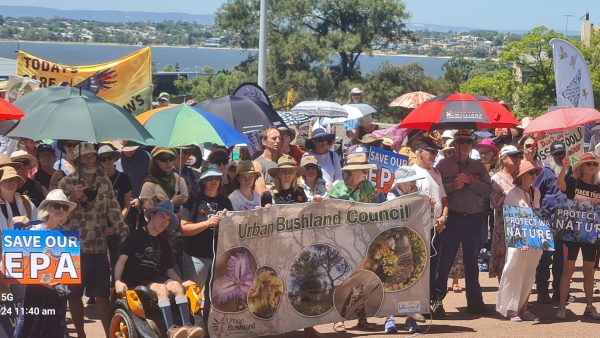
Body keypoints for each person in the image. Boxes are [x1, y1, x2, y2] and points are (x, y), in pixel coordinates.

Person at [58, 142, 128, 337]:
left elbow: (113, 208)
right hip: (73, 246)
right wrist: (72, 198)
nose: (89, 160)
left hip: (98, 245)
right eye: (84, 157)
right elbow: (57, 217)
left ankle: (108, 334)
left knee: (102, 294)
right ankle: (81, 334)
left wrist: (122, 229)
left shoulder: (105, 181)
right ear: (77, 161)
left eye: (91, 156)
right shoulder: (66, 183)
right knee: (74, 295)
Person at [115, 200, 204, 338]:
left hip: (158, 278)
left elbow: (170, 271)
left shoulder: (164, 244)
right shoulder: (135, 236)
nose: (165, 222)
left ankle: (187, 327)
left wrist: (183, 283)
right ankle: (171, 331)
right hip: (137, 280)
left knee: (177, 287)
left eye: (168, 219)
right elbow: (121, 261)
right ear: (152, 216)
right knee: (162, 288)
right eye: (162, 216)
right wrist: (117, 281)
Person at [432, 130, 492, 316]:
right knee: (445, 260)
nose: (466, 145)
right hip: (453, 218)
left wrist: (471, 180)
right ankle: (436, 301)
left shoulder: (478, 165)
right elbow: (438, 189)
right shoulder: (443, 165)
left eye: (468, 142)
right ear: (454, 144)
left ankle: (475, 302)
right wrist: (452, 186)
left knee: (472, 262)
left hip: (474, 218)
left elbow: (488, 189)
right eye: (461, 142)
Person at [13, 189, 76, 338]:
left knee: (54, 331)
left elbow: (71, 268)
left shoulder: (68, 236)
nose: (61, 209)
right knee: (27, 329)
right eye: (56, 206)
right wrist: (12, 222)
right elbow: (19, 260)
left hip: (57, 294)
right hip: (35, 292)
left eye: (64, 207)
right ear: (48, 208)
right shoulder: (34, 231)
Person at [328, 152, 377, 332]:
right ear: (353, 171)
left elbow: (375, 207)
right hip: (342, 240)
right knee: (342, 280)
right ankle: (338, 318)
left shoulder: (367, 187)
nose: (365, 172)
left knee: (360, 280)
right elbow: (329, 214)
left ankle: (361, 318)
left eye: (366, 169)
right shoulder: (337, 190)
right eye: (362, 169)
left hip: (362, 239)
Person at [181, 163, 232, 331]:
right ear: (203, 181)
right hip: (196, 257)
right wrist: (207, 223)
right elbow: (183, 228)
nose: (213, 181)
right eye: (209, 178)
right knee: (193, 297)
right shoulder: (194, 200)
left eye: (216, 178)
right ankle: (189, 329)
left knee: (214, 299)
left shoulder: (226, 201)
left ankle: (208, 331)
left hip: (219, 257)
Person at [556, 152, 600, 320]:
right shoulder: (573, 181)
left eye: (594, 165)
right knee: (569, 269)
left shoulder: (598, 185)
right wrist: (564, 167)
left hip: (590, 234)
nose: (592, 167)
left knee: (589, 270)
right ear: (581, 168)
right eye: (588, 164)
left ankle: (589, 306)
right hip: (571, 232)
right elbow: (560, 186)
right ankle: (561, 306)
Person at [496, 161, 542, 322]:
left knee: (529, 273)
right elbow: (511, 220)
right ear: (522, 176)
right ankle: (510, 309)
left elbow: (537, 214)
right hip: (518, 242)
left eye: (535, 173)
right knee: (513, 272)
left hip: (533, 240)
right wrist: (520, 241)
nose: (534, 176)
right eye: (531, 173)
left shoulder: (535, 192)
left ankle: (524, 308)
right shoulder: (512, 194)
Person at [384, 166, 427, 333]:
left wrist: (428, 206)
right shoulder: (390, 197)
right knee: (393, 283)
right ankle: (389, 317)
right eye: (411, 181)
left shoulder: (418, 196)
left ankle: (410, 318)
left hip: (414, 244)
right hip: (395, 248)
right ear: (402, 184)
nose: (414, 183)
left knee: (412, 283)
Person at [534, 141, 567, 304]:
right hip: (546, 220)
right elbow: (535, 192)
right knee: (545, 258)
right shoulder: (545, 172)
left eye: (562, 153)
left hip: (563, 222)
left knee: (560, 260)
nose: (560, 157)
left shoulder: (569, 171)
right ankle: (542, 292)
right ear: (551, 155)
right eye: (557, 154)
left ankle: (558, 292)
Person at [97, 145, 132, 281]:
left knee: (118, 258)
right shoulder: (96, 180)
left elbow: (127, 205)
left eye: (109, 157)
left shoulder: (123, 178)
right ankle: (96, 292)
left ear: (114, 159)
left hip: (119, 225)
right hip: (100, 226)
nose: (107, 161)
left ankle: (116, 288)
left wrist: (117, 224)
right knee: (100, 261)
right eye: (103, 158)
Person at [489, 145, 522, 281]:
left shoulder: (522, 176)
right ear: (503, 159)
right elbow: (495, 203)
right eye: (513, 156)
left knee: (519, 262)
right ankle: (505, 297)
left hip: (520, 225)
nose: (517, 159)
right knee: (504, 261)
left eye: (518, 156)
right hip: (503, 226)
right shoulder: (496, 178)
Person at [0, 166, 36, 230]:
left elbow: (35, 223)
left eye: (14, 179)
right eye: (7, 180)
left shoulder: (26, 202)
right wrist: (12, 222)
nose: (12, 182)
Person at [253, 127, 281, 195]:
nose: (278, 141)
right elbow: (261, 192)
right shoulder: (257, 164)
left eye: (279, 138)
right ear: (264, 142)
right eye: (274, 138)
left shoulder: (285, 160)